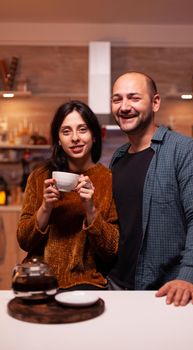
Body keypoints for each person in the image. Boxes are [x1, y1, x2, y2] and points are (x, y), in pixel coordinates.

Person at [108, 71, 193, 306]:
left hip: (166, 292)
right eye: (117, 99)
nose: (124, 107)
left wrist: (189, 276)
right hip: (115, 286)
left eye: (134, 98)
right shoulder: (117, 158)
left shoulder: (186, 151)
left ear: (155, 102)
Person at [17, 100, 119, 290]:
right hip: (39, 278)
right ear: (58, 139)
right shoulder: (40, 176)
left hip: (86, 282)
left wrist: (90, 208)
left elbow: (110, 250)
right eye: (66, 131)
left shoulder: (108, 179)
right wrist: (45, 208)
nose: (75, 138)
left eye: (82, 129)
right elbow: (24, 240)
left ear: (94, 136)